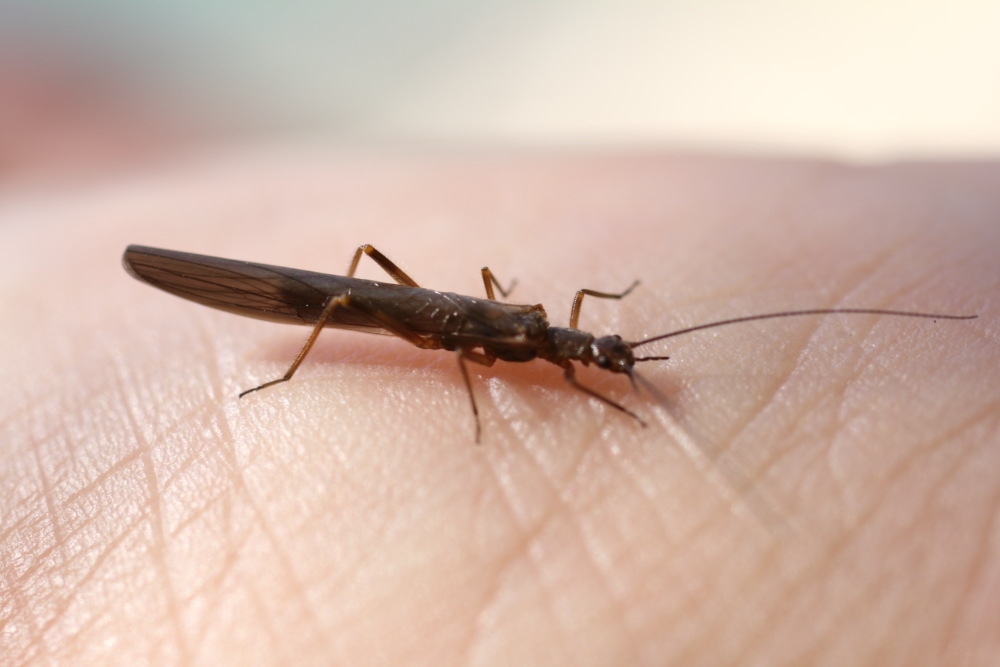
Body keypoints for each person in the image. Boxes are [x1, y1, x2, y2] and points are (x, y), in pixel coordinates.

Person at [1, 152, 995, 665]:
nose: (602, 358)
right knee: (351, 290)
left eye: (608, 357)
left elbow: (563, 355)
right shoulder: (529, 343)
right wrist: (595, 401)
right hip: (406, 320)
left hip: (459, 321)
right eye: (604, 357)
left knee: (398, 293)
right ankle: (294, 364)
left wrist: (605, 375)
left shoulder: (550, 337)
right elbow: (519, 365)